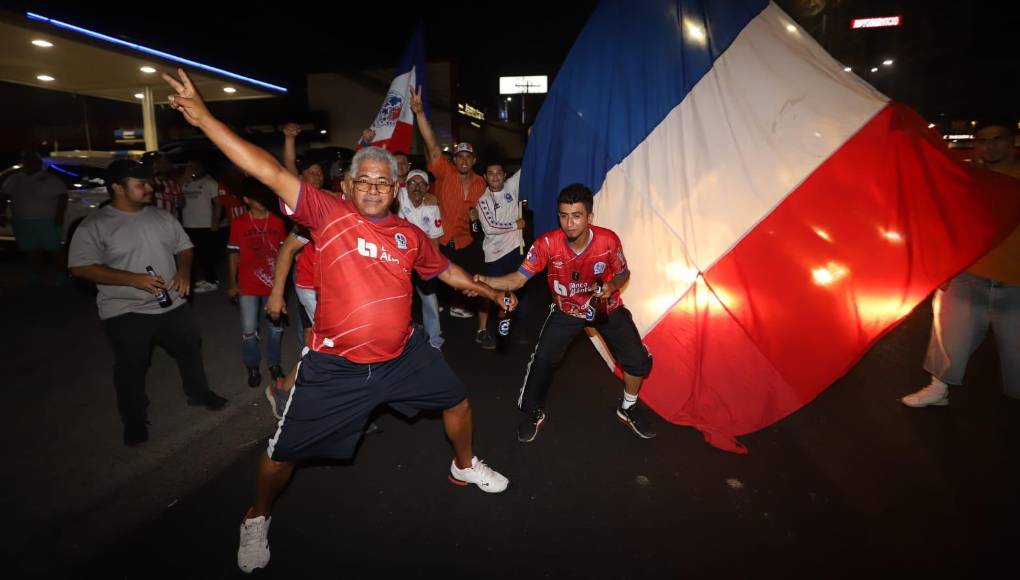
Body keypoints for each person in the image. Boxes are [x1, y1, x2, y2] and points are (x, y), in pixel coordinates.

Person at [162, 68, 512, 573]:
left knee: (457, 400)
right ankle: (256, 517)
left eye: (381, 182)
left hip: (403, 356)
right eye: (363, 181)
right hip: (335, 366)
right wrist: (205, 119)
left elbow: (450, 271)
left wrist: (490, 289)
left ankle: (463, 465)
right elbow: (265, 170)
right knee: (282, 455)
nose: (372, 189)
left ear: (395, 189)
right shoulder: (326, 213)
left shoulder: (409, 236)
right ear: (347, 186)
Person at [475, 183, 656, 443]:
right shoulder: (547, 243)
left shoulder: (608, 240)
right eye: (563, 215)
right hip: (567, 309)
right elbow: (517, 279)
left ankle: (628, 407)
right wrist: (485, 282)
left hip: (605, 306)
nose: (569, 223)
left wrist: (612, 286)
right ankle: (533, 411)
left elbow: (623, 273)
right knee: (542, 363)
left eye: (577, 215)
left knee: (637, 361)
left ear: (590, 217)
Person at [68, 159, 227, 446]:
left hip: (173, 304)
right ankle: (134, 420)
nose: (149, 188)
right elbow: (80, 267)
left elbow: (185, 248)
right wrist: (132, 279)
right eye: (140, 184)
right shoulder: (96, 225)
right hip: (125, 310)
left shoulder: (161, 216)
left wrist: (183, 270)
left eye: (148, 182)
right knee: (131, 367)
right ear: (117, 188)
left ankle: (199, 394)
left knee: (190, 348)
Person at [902, 119, 1020, 407]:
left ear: (1013, 141)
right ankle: (938, 388)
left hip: (1015, 278)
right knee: (948, 338)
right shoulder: (968, 177)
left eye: (998, 139)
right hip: (967, 274)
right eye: (983, 140)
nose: (990, 146)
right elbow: (946, 219)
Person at [409, 88, 492, 348]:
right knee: (422, 286)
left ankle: (482, 330)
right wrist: (420, 112)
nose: (463, 159)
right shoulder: (445, 173)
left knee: (479, 285)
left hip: (468, 244)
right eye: (459, 156)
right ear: (453, 159)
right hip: (441, 243)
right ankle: (415, 331)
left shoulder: (483, 183)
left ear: (474, 160)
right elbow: (432, 145)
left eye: (468, 156)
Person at [227, 180, 288, 388]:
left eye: (264, 196)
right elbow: (233, 254)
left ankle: (274, 365)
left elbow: (284, 254)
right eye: (256, 197)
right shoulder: (240, 223)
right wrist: (232, 282)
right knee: (249, 329)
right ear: (246, 200)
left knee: (275, 329)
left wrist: (282, 287)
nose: (262, 201)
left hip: (273, 286)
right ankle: (252, 366)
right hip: (248, 285)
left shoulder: (278, 221)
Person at [476, 161, 529, 345]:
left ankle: (520, 330)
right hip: (495, 255)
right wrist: (516, 225)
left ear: (505, 175)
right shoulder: (483, 200)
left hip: (515, 250)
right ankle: (487, 331)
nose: (495, 176)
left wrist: (532, 138)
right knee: (493, 295)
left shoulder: (511, 187)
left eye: (499, 172)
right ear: (485, 177)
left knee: (519, 291)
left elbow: (527, 166)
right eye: (491, 173)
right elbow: (490, 227)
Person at [0, 150, 67, 286]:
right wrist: (1, 214)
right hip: (22, 221)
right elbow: (3, 197)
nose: (30, 163)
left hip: (46, 221)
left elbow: (62, 197)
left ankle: (63, 274)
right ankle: (35, 275)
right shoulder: (14, 179)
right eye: (27, 160)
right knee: (31, 249)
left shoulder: (50, 179)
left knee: (54, 249)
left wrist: (59, 216)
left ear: (39, 163)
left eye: (33, 160)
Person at [399, 169, 445, 348]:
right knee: (401, 302)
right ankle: (401, 342)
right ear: (405, 186)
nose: (416, 187)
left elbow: (435, 240)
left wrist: (433, 267)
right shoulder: (399, 199)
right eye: (412, 183)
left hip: (423, 262)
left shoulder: (433, 208)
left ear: (427, 188)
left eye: (421, 184)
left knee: (430, 301)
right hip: (401, 262)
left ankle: (434, 340)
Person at [180, 159, 222, 293]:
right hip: (189, 224)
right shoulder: (186, 183)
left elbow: (218, 204)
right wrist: (185, 177)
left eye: (193, 166)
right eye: (188, 166)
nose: (190, 169)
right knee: (196, 255)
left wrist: (216, 221)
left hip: (204, 224)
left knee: (207, 254)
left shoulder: (210, 183)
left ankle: (212, 281)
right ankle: (207, 278)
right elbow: (178, 195)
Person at [142, 151, 184, 220]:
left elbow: (181, 204)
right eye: (160, 162)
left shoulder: (174, 184)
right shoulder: (148, 181)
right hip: (152, 220)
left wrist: (179, 200)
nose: (163, 165)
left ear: (170, 165)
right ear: (154, 164)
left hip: (171, 221)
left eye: (166, 162)